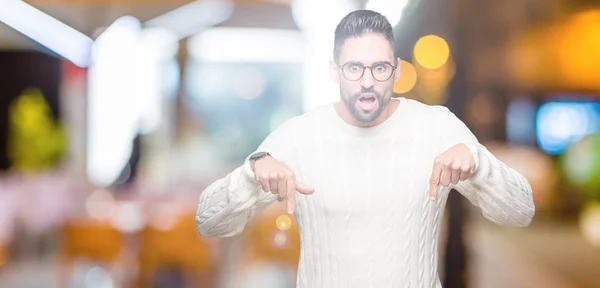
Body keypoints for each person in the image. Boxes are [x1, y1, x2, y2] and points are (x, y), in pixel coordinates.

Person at [195, 9, 535, 288]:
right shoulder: (298, 136)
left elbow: (520, 212)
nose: (367, 81)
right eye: (354, 68)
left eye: (380, 68)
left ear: (396, 70)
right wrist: (250, 174)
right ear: (335, 71)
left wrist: (478, 163)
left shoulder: (437, 127)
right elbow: (209, 223)